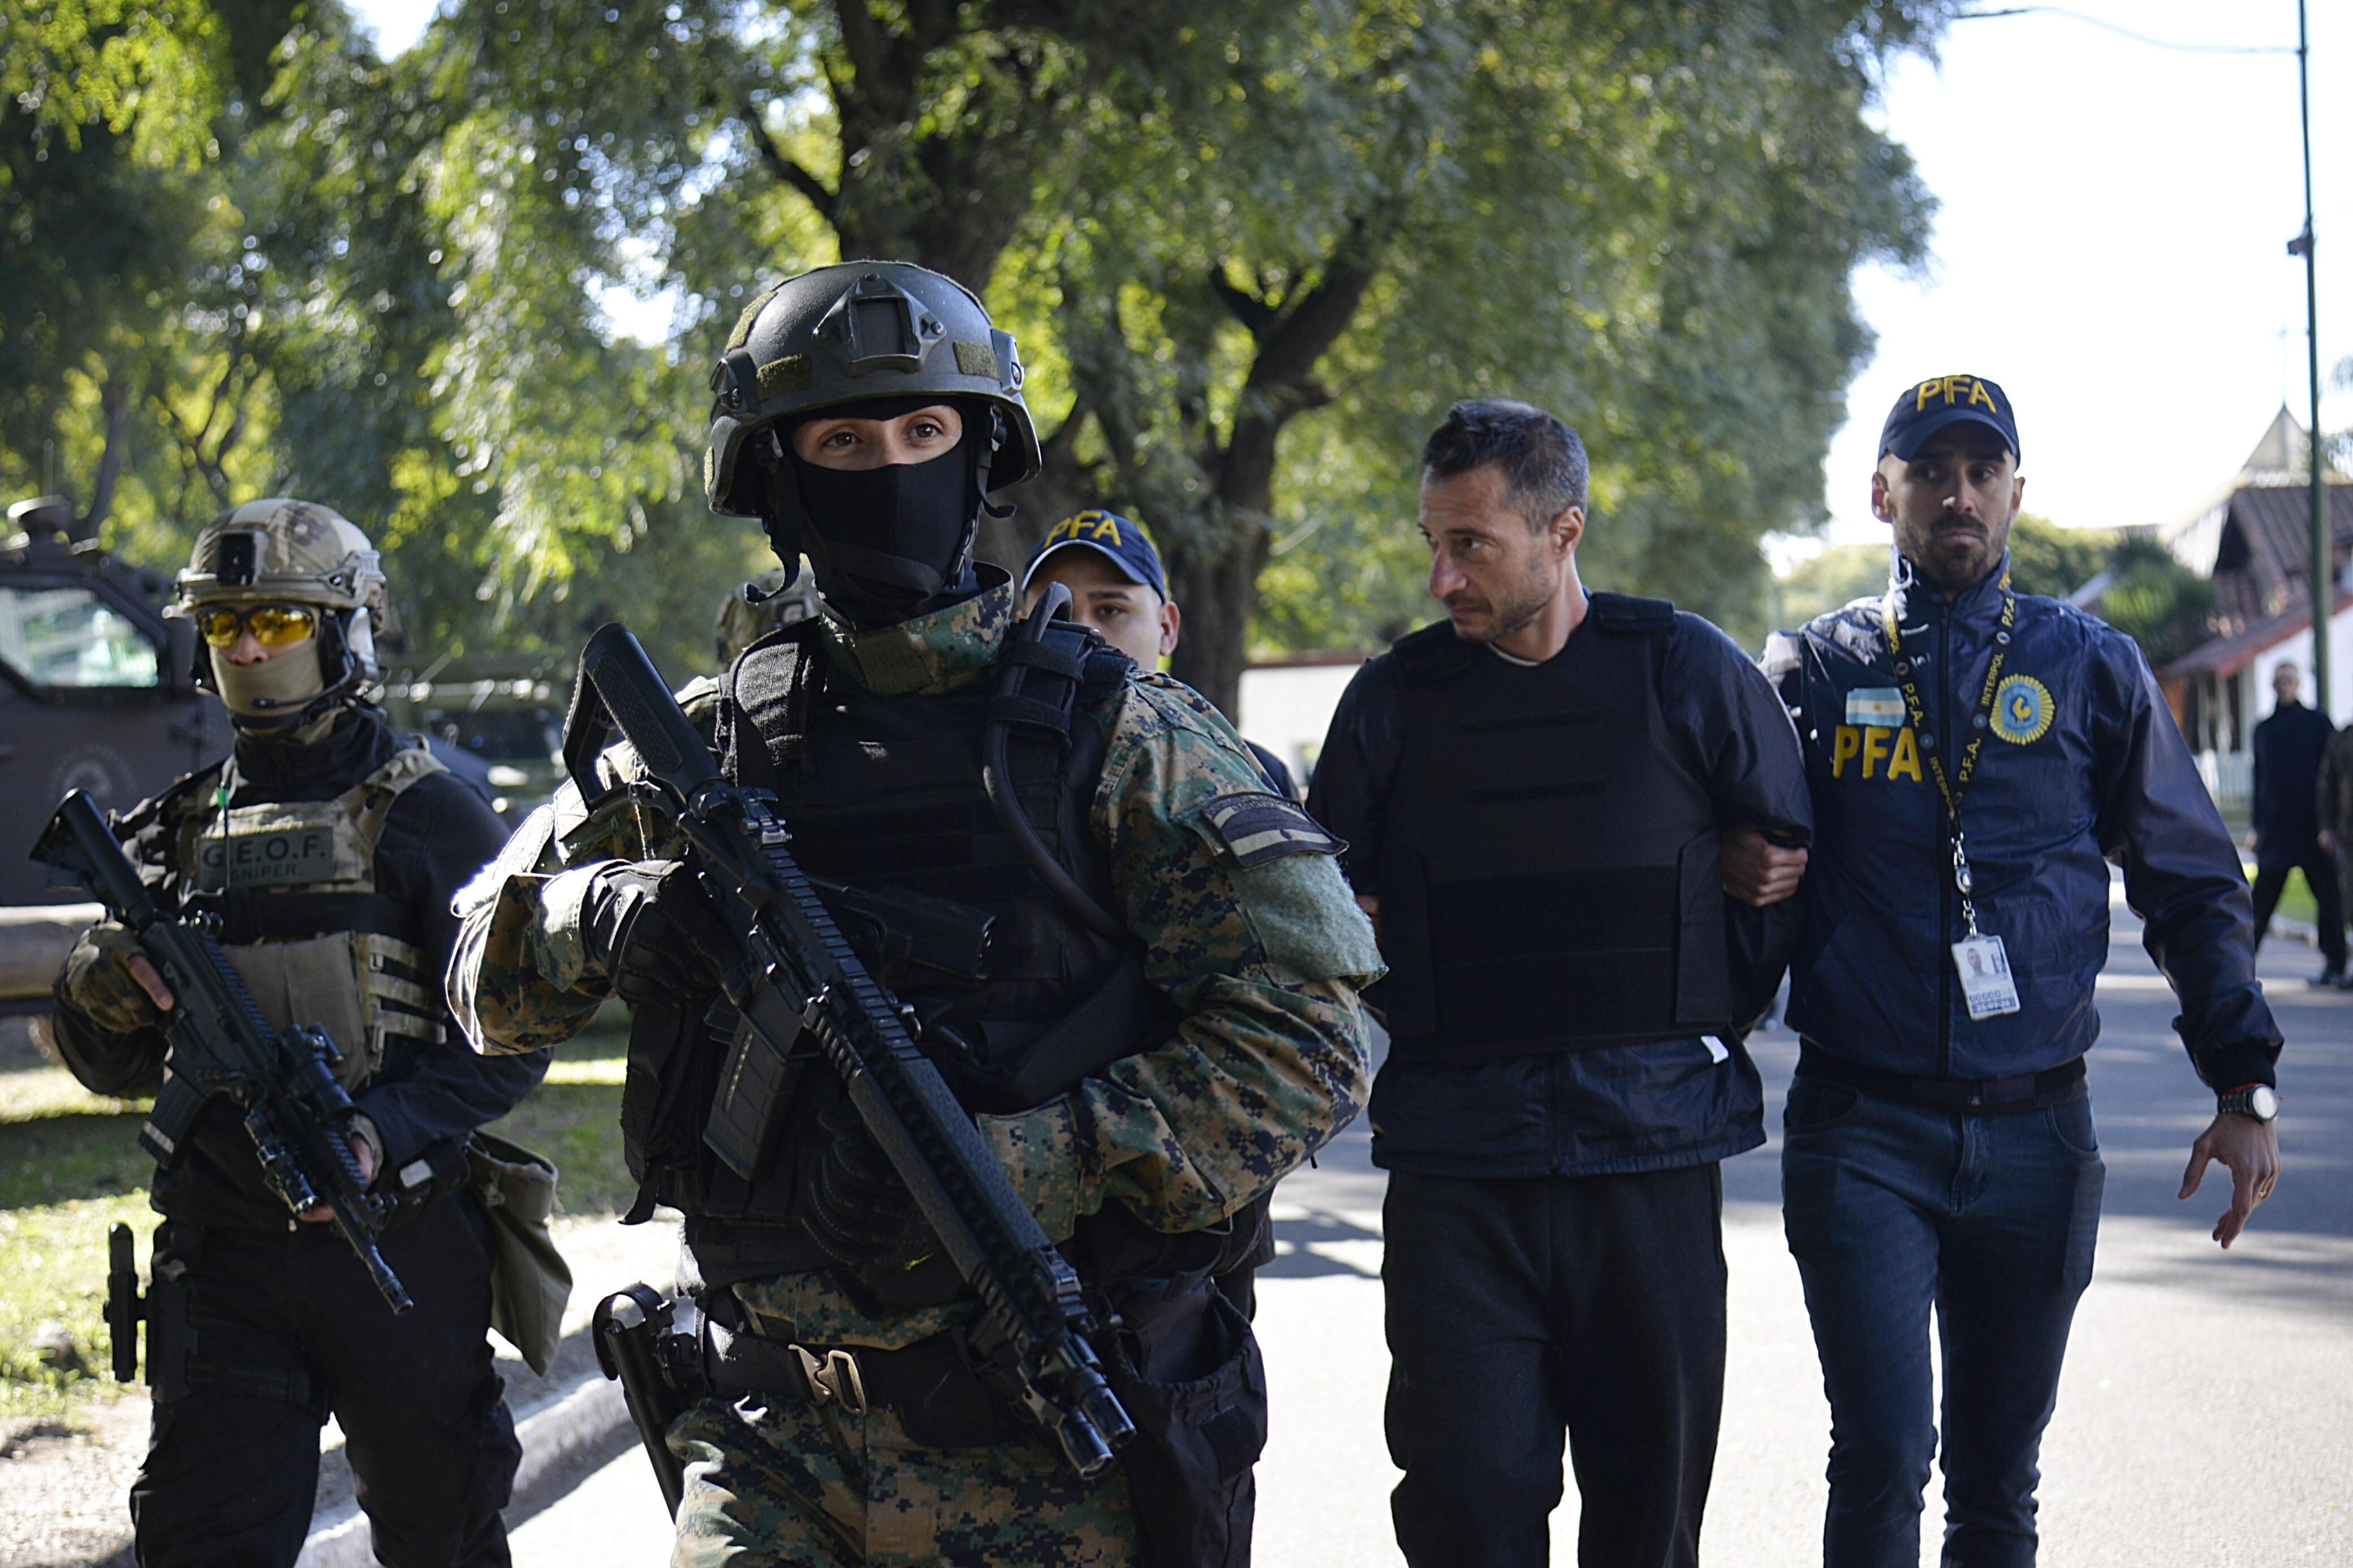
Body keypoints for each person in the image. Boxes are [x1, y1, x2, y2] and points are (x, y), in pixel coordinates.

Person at [445, 260, 1380, 1566]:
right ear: (776, 481)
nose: (887, 467)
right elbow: (476, 987)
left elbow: (1315, 1045)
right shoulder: (709, 746)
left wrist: (1020, 1164)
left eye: (922, 433)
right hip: (765, 1437)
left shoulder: (1121, 733)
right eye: (841, 440)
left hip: (1036, 1447)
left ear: (980, 453)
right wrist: (607, 921)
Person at [1743, 374, 2284, 1567]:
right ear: (1879, 494)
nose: (1957, 495)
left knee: (1996, 1481)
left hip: (2039, 1138)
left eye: (1982, 472)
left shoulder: (2090, 665)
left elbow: (2192, 884)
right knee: (1882, 1457)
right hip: (1860, 1127)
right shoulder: (1815, 670)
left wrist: (2242, 1085)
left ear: (2017, 495)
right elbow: (1730, 874)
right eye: (1929, 472)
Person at [1307, 399, 1813, 1568]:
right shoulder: (1391, 700)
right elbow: (1324, 907)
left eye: (1470, 544)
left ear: (1562, 531)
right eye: (1431, 541)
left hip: (1649, 1159)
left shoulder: (1686, 669)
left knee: (1648, 1520)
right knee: (1466, 1508)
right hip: (1458, 1174)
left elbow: (1782, 865)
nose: (1441, 577)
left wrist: (1695, 1003)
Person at [49, 499, 542, 1568]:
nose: (249, 646)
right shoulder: (173, 832)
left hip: (398, 1240)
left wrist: (381, 1129)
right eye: (225, 623)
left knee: (443, 1535)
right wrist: (103, 991)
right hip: (225, 1258)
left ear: (343, 629)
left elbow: (513, 1039)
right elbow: (107, 1064)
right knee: (202, 1541)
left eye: (276, 616)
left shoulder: (433, 816)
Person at [1019, 509, 1301, 799]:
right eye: (1055, 613)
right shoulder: (978, 761)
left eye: (1110, 610)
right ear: (1018, 630)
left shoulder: (1249, 776)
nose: (1082, 632)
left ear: (1167, 629)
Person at [2248, 661, 2344, 984]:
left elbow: (2331, 780)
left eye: (2290, 680)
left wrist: (2328, 826)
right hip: (2277, 829)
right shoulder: (2264, 730)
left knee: (2330, 899)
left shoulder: (2318, 725)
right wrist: (2257, 827)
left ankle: (2335, 964)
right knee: (2261, 902)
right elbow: (2259, 781)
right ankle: (2238, 967)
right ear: (2273, 686)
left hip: (2313, 828)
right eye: (2280, 681)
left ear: (2298, 684)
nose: (2285, 686)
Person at [2317, 718, 2353, 982]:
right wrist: (2327, 826)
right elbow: (2327, 785)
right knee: (2349, 901)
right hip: (2349, 833)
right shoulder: (2342, 739)